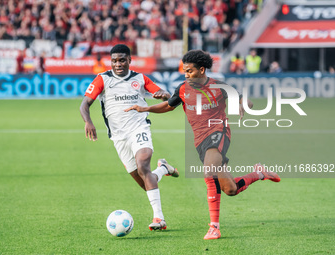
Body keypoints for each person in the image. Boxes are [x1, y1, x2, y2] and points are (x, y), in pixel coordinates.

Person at [125, 50, 281, 240]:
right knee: (230, 189)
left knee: (209, 171)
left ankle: (214, 227)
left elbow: (241, 98)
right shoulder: (182, 88)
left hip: (218, 132)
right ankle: (259, 173)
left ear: (201, 70)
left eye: (189, 71)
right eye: (184, 71)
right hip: (200, 139)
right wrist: (146, 108)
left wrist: (243, 103)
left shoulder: (218, 86)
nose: (186, 74)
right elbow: (168, 106)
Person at [80, 44, 179, 231]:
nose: (118, 64)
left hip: (139, 128)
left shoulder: (139, 79)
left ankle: (159, 218)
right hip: (118, 137)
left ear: (129, 60)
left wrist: (163, 94)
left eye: (122, 60)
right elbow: (84, 104)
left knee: (143, 166)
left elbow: (164, 95)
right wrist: (88, 122)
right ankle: (163, 169)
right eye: (115, 60)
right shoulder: (102, 79)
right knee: (145, 182)